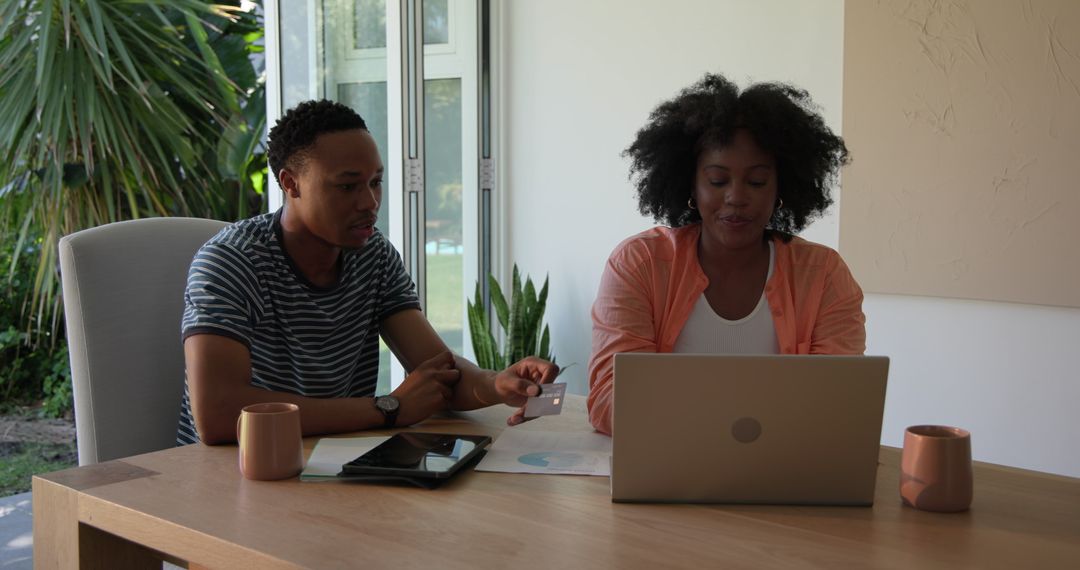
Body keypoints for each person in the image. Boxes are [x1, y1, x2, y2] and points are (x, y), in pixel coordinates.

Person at [178, 99, 558, 445]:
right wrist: (388, 408)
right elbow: (218, 415)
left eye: (375, 182)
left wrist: (496, 383)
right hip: (237, 471)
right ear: (290, 183)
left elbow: (437, 373)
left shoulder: (372, 255)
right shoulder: (231, 261)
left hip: (330, 461)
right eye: (346, 187)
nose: (370, 202)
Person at [587, 74, 866, 435]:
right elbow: (610, 400)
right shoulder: (639, 264)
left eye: (756, 182)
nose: (736, 197)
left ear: (781, 187)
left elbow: (839, 404)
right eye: (718, 181)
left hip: (783, 476)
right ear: (691, 185)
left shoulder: (824, 274)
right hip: (669, 476)